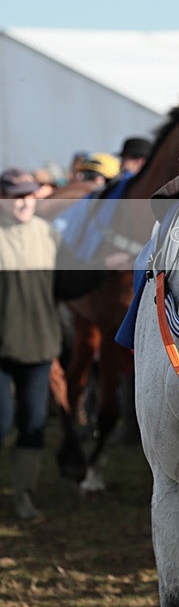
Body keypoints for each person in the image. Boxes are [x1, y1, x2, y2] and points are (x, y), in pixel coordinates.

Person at [0, 168, 62, 520]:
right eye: (14, 195)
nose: (22, 202)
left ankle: (22, 495)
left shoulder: (49, 236)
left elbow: (70, 283)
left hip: (39, 348)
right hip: (1, 350)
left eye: (27, 194)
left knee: (33, 423)